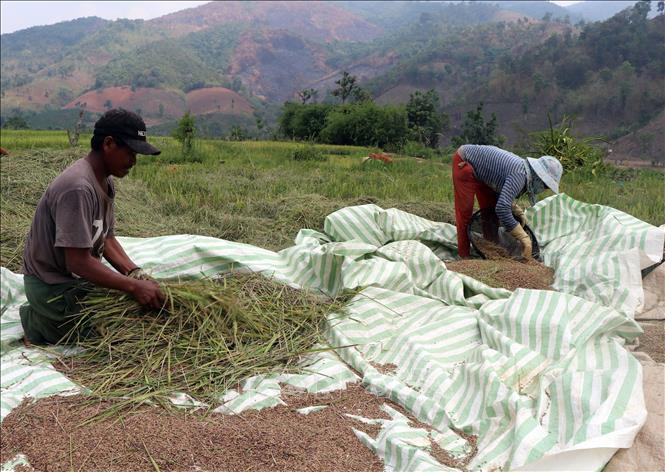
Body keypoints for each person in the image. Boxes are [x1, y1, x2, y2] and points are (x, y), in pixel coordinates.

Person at [19, 108, 165, 344]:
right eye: (129, 152)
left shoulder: (105, 180)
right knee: (115, 336)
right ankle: (36, 322)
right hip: (52, 287)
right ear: (108, 144)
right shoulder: (77, 187)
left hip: (76, 280)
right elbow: (77, 261)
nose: (134, 161)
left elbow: (106, 237)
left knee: (140, 315)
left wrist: (135, 274)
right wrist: (133, 287)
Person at [452, 144, 563, 260]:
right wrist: (523, 237)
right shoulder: (520, 175)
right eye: (545, 186)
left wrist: (515, 209)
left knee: (490, 214)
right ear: (538, 177)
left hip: (485, 174)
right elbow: (502, 208)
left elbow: (503, 195)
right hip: (466, 162)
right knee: (465, 212)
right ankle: (463, 256)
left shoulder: (525, 172)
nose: (544, 189)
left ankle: (491, 249)